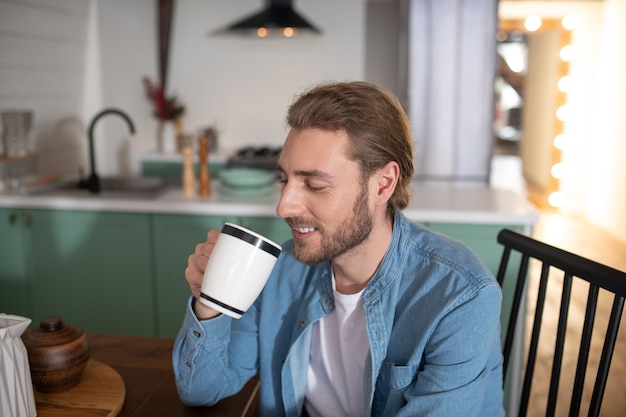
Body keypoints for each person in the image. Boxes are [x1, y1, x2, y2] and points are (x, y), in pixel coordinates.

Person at [173, 81, 504, 417]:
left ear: (383, 183)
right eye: (284, 180)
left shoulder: (461, 297)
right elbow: (201, 391)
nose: (284, 206)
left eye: (315, 185)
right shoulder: (281, 271)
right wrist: (209, 303)